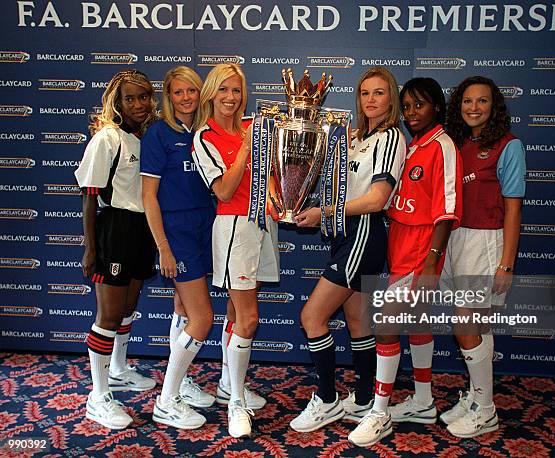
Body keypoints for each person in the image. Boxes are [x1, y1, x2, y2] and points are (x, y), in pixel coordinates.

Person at [290, 66, 406, 434]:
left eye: (379, 93)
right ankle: (363, 397)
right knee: (357, 322)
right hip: (345, 234)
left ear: (392, 99)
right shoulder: (355, 137)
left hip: (363, 234)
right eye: (365, 93)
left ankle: (326, 400)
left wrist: (324, 211)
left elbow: (376, 199)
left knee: (312, 316)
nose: (371, 100)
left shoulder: (390, 138)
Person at [348, 77, 462, 447]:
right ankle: (425, 401)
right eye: (408, 106)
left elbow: (447, 209)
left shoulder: (442, 146)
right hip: (400, 245)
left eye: (421, 105)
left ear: (438, 108)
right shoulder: (414, 146)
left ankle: (379, 412)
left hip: (421, 250)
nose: (412, 112)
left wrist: (432, 261)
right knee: (416, 326)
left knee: (384, 326)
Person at [440, 75, 526, 438]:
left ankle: (486, 410)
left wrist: (506, 262)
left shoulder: (509, 146)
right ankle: (478, 397)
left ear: (495, 106)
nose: (474, 108)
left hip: (485, 242)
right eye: (467, 102)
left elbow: (513, 209)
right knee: (478, 324)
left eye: (483, 101)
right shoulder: (457, 144)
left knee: (465, 324)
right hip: (454, 238)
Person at [192, 64, 275, 438]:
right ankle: (235, 403)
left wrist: (284, 203)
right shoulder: (204, 137)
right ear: (211, 94)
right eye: (224, 90)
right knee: (249, 318)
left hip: (262, 223)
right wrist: (245, 146)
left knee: (234, 313)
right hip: (233, 228)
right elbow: (223, 190)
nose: (231, 98)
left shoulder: (252, 129)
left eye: (237, 91)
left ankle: (230, 383)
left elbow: (269, 180)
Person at [75, 70, 157, 430]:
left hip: (142, 229)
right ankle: (98, 396)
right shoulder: (107, 138)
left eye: (144, 97)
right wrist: (91, 249)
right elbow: (89, 197)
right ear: (116, 101)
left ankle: (120, 369)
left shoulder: (145, 137)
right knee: (108, 315)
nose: (138, 105)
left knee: (127, 307)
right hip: (115, 230)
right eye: (130, 98)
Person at [140, 66, 216, 430]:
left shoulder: (205, 132)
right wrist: (163, 248)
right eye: (178, 92)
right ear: (168, 97)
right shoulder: (158, 135)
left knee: (184, 308)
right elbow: (148, 197)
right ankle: (166, 401)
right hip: (177, 231)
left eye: (191, 91)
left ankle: (180, 383)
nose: (186, 98)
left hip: (206, 225)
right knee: (203, 319)